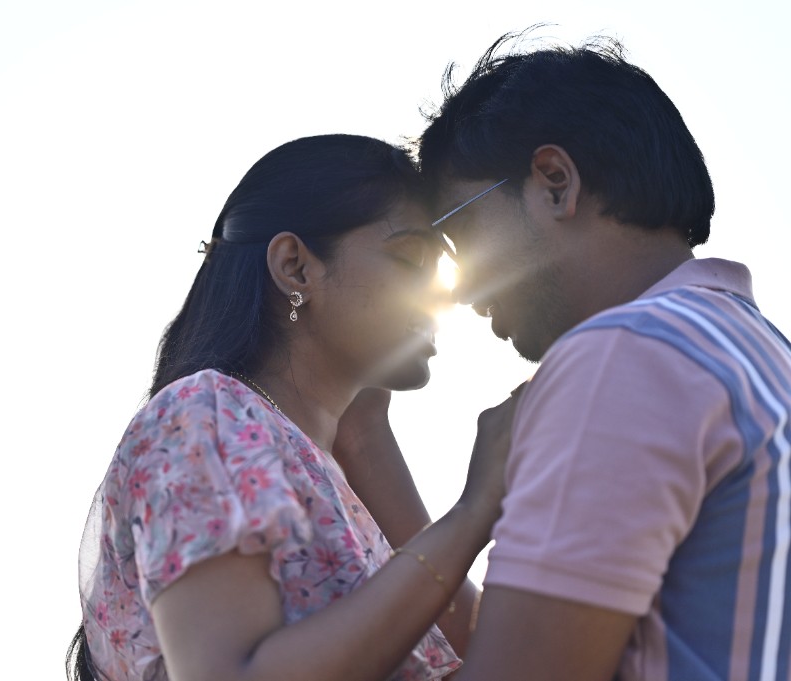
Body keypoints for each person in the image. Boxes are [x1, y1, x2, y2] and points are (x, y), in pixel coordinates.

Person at [405, 33, 791, 680]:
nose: (463, 287)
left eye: (461, 232)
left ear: (555, 182)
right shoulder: (758, 352)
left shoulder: (621, 359)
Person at [68, 134, 519, 681]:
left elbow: (493, 650)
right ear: (295, 267)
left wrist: (367, 434)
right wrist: (474, 511)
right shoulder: (202, 415)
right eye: (411, 258)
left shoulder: (322, 464)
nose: (444, 293)